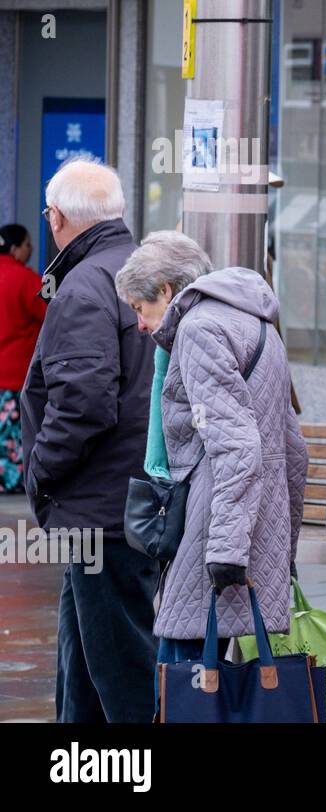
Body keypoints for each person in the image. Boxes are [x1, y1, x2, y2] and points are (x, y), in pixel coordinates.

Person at [114, 231, 308, 691]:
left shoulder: (199, 331)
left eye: (140, 310)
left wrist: (224, 550)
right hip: (251, 521)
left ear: (165, 289)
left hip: (213, 529)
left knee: (182, 680)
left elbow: (236, 445)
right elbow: (294, 451)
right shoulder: (257, 324)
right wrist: (285, 543)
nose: (141, 326)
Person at [20, 158, 157, 722]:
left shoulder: (84, 284)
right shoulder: (139, 270)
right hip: (130, 501)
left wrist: (40, 473)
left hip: (102, 509)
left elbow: (83, 403)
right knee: (85, 661)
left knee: (121, 668)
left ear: (56, 217)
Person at [0, 224, 46, 494]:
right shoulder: (27, 280)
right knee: (13, 438)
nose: (30, 250)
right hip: (14, 376)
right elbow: (52, 316)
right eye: (28, 244)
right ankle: (12, 484)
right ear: (16, 248)